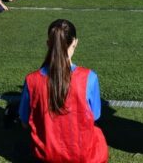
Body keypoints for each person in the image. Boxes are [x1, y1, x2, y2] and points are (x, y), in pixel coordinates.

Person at [18, 19, 108, 163]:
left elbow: (24, 122)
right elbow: (95, 116)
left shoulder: (31, 80)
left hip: (46, 156)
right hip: (84, 157)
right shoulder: (89, 77)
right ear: (75, 42)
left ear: (48, 44)